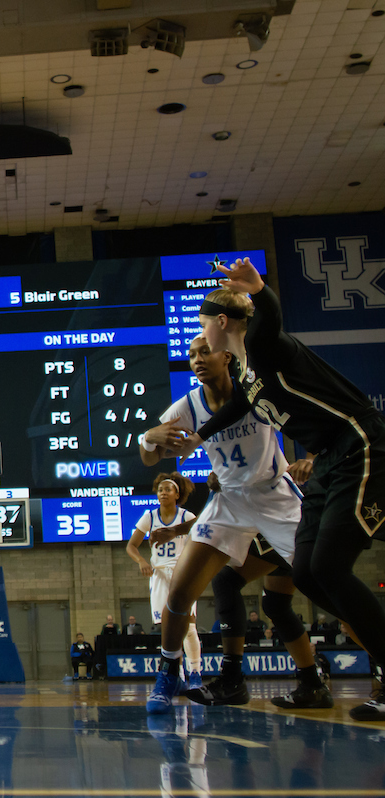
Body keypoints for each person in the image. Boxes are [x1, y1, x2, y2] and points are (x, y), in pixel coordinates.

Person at [168, 260, 385, 720]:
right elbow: (242, 405)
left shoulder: (263, 348)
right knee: (307, 573)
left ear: (221, 324)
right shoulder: (247, 373)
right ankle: (313, 679)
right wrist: (200, 437)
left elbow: (270, 323)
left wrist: (260, 291)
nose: (201, 332)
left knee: (328, 566)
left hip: (360, 443)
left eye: (204, 323)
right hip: (329, 459)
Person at [140, 335, 321, 712]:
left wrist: (311, 458)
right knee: (180, 593)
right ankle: (168, 673)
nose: (196, 360)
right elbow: (149, 456)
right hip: (229, 501)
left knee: (323, 585)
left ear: (227, 355)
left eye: (204, 352)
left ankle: (320, 676)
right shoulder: (189, 404)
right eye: (190, 355)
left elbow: (316, 424)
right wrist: (147, 438)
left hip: (274, 496)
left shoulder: (255, 392)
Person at [125, 472, 201, 687]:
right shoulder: (150, 516)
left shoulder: (187, 517)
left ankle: (195, 672)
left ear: (177, 494)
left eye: (167, 489)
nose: (163, 493)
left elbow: (202, 540)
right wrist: (141, 561)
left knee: (189, 627)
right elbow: (131, 545)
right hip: (159, 574)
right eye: (160, 490)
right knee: (168, 630)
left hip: (182, 573)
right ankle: (178, 677)